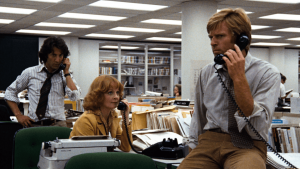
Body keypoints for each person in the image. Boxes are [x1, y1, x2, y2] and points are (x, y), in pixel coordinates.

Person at [179, 8, 280, 169]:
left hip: (247, 144)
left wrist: (239, 77)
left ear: (242, 39)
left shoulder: (267, 73)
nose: (212, 42)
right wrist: (193, 149)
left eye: (219, 36)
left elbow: (257, 127)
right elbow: (199, 116)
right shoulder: (207, 72)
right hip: (209, 142)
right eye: (211, 37)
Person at [4, 36, 81, 127]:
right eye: (53, 55)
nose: (57, 60)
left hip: (58, 124)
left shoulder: (64, 75)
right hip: (34, 124)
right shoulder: (30, 73)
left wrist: (67, 72)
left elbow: (74, 96)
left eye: (60, 55)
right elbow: (10, 92)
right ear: (45, 55)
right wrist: (18, 115)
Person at [69, 75, 132, 152]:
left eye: (117, 92)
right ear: (98, 95)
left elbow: (126, 147)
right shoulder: (86, 120)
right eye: (110, 92)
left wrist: (126, 118)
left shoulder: (112, 116)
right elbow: (89, 156)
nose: (116, 97)